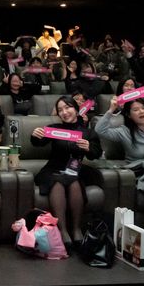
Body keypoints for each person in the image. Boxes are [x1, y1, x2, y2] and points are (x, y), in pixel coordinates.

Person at [30, 96, 102, 249]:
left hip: (75, 171)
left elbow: (96, 153)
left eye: (67, 107)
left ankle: (76, 230)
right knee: (57, 181)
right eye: (60, 110)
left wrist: (89, 148)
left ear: (76, 109)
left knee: (74, 182)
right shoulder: (54, 128)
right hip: (53, 170)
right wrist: (35, 135)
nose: (64, 112)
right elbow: (38, 142)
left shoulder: (88, 132)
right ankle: (62, 231)